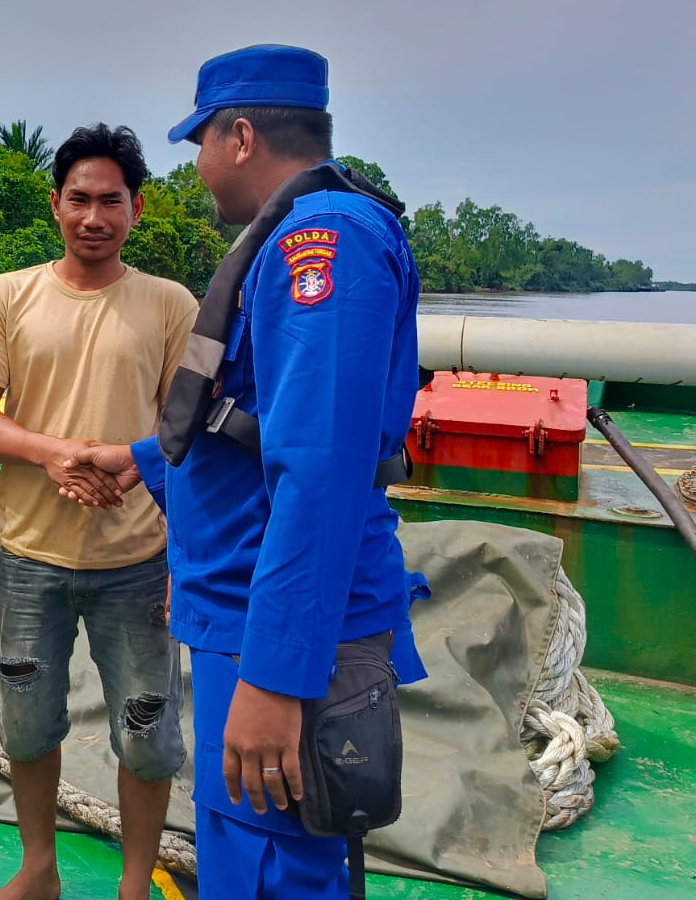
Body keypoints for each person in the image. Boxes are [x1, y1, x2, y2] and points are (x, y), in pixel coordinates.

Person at [64, 46, 429, 900]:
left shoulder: (321, 243)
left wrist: (275, 675)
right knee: (243, 850)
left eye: (200, 144)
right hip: (246, 609)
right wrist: (139, 460)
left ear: (238, 136)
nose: (197, 167)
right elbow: (253, 422)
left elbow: (320, 474)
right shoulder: (304, 233)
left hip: (282, 628)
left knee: (272, 866)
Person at [0, 123, 198, 900]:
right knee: (27, 726)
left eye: (111, 201)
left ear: (137, 209)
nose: (95, 217)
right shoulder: (9, 296)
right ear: (55, 204)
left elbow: (185, 432)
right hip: (32, 556)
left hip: (140, 560)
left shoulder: (170, 305)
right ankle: (39, 870)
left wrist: (138, 482)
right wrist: (53, 453)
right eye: (80, 199)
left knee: (147, 733)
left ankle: (134, 883)